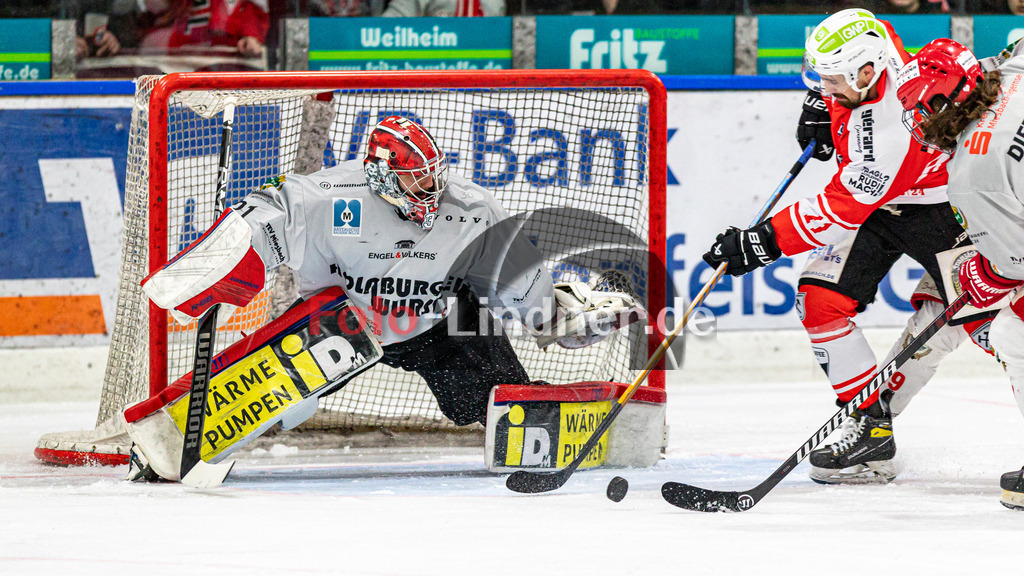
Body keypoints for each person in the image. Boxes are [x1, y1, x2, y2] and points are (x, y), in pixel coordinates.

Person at [122, 116, 643, 482]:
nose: (429, 192)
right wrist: (224, 261)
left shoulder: (470, 208)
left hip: (437, 322)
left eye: (432, 177)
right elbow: (262, 216)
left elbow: (518, 283)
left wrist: (555, 317)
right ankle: (163, 445)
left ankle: (568, 426)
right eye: (414, 180)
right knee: (273, 401)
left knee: (498, 404)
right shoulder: (325, 198)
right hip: (340, 322)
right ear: (379, 176)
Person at [704, 8, 991, 484]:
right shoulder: (878, 46)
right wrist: (825, 103)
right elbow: (876, 25)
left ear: (867, 71)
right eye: (819, 76)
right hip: (882, 207)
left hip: (944, 212)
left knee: (993, 329)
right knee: (819, 301)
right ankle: (871, 430)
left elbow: (839, 209)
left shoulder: (889, 133)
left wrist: (762, 242)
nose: (824, 84)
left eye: (833, 80)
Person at [896, 37, 1024, 511]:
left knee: (1013, 330)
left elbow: (1016, 266)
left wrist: (982, 272)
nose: (920, 124)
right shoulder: (1015, 70)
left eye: (922, 111)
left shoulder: (971, 174)